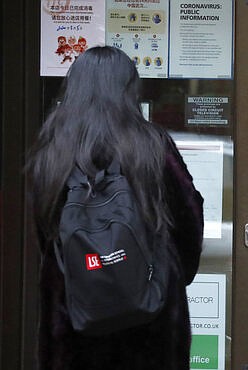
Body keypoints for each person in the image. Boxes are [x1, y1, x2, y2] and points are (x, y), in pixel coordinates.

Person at [26, 46, 204, 370]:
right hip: (151, 316)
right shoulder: (152, 145)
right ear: (129, 89)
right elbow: (189, 215)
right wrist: (176, 272)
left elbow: (44, 233)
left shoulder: (53, 152)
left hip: (73, 315)